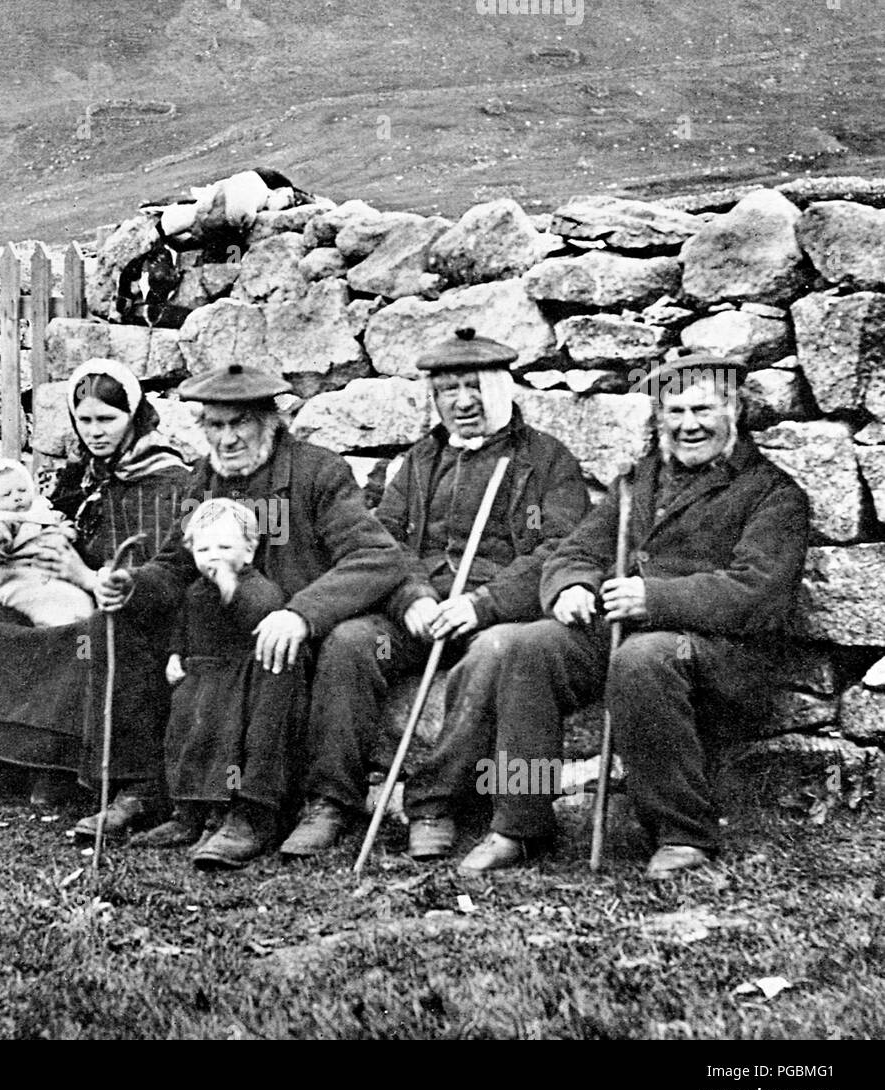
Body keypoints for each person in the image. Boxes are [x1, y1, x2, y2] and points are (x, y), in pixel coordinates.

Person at [457, 353, 811, 879]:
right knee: (529, 646)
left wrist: (655, 598)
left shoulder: (773, 494)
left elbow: (759, 594)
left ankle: (682, 834)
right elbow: (576, 551)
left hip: (722, 653)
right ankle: (519, 820)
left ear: (733, 410)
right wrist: (572, 586)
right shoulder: (637, 484)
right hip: (627, 632)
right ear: (659, 418)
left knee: (642, 657)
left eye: (703, 409)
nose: (688, 424)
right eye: (674, 411)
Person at [277, 327, 592, 860]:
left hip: (493, 617)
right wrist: (413, 599)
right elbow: (383, 545)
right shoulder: (419, 463)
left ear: (502, 388)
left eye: (474, 386)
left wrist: (481, 605)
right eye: (448, 390)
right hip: (420, 614)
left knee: (495, 658)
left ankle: (433, 804)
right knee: (352, 642)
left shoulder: (546, 461)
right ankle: (332, 801)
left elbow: (560, 550)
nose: (462, 401)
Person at [97, 361, 407, 864]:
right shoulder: (203, 481)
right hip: (220, 635)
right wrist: (130, 584)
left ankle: (254, 813)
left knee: (270, 651)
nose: (228, 439)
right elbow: (176, 565)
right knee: (122, 622)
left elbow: (375, 557)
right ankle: (150, 792)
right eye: (215, 426)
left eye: (240, 423)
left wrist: (302, 613)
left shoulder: (318, 473)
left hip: (289, 636)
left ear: (270, 422)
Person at [0, 359, 192, 812]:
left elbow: (162, 570)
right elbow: (37, 520)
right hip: (59, 588)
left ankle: (61, 768)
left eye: (107, 419)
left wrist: (83, 574)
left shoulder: (166, 480)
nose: (95, 432)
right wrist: (11, 547)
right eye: (85, 420)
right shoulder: (82, 475)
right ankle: (11, 758)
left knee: (78, 635)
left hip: (129, 603)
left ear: (133, 416)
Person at [139, 497, 308, 869]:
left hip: (236, 683)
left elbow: (263, 613)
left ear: (249, 551)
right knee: (186, 743)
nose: (213, 556)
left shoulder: (257, 586)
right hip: (197, 682)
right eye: (203, 548)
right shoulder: (196, 590)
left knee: (225, 747)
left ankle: (227, 817)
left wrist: (231, 589)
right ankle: (187, 815)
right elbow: (183, 626)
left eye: (225, 547)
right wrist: (174, 656)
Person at [0, 458, 93, 626]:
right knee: (63, 605)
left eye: (22, 490)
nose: (17, 497)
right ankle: (71, 644)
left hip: (45, 575)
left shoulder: (40, 510)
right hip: (13, 577)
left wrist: (66, 529)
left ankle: (77, 645)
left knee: (78, 601)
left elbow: (58, 520)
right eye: (7, 494)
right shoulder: (2, 520)